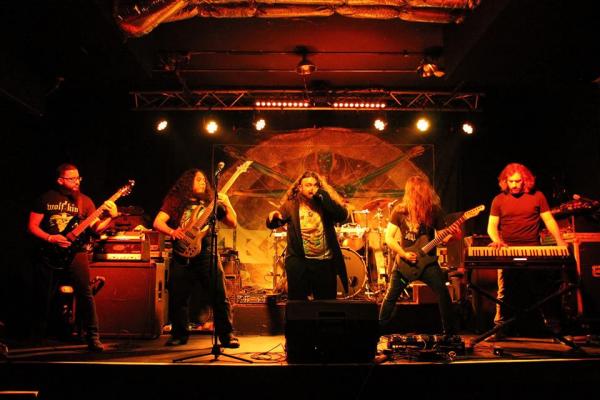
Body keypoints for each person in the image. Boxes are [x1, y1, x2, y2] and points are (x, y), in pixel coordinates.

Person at [28, 163, 119, 352]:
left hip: (77, 251)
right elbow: (32, 226)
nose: (77, 181)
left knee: (85, 294)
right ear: (60, 180)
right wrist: (51, 238)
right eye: (72, 178)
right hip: (50, 252)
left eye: (78, 178)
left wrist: (112, 217)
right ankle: (36, 336)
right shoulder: (46, 198)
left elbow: (96, 229)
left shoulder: (85, 202)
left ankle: (93, 337)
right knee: (42, 294)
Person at [153, 169, 239, 348]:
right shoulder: (176, 200)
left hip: (207, 251)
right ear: (188, 182)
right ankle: (179, 335)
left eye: (204, 180)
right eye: (198, 179)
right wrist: (172, 231)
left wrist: (228, 203)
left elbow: (232, 223)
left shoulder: (211, 203)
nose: (203, 182)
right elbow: (157, 222)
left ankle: (227, 335)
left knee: (219, 294)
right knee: (178, 296)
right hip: (181, 252)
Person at [487, 162, 567, 339]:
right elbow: (491, 226)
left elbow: (549, 220)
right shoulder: (498, 199)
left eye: (518, 181)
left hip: (533, 248)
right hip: (507, 250)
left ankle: (553, 327)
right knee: (504, 291)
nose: (514, 185)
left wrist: (560, 241)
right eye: (511, 181)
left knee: (542, 289)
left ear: (525, 180)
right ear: (505, 181)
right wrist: (497, 241)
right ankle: (500, 328)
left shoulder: (538, 196)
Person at [379, 175, 459, 336]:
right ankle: (379, 330)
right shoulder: (400, 211)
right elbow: (388, 238)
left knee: (443, 294)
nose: (419, 194)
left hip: (428, 263)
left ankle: (449, 334)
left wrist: (454, 236)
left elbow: (442, 238)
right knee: (390, 296)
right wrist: (403, 254)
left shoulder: (434, 211)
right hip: (404, 263)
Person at [266, 171, 350, 300]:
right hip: (300, 263)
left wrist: (325, 196)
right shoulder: (291, 205)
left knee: (326, 303)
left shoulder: (324, 203)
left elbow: (342, 216)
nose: (312, 188)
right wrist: (273, 217)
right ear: (300, 188)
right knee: (298, 304)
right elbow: (274, 223)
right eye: (308, 185)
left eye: (315, 185)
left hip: (324, 262)